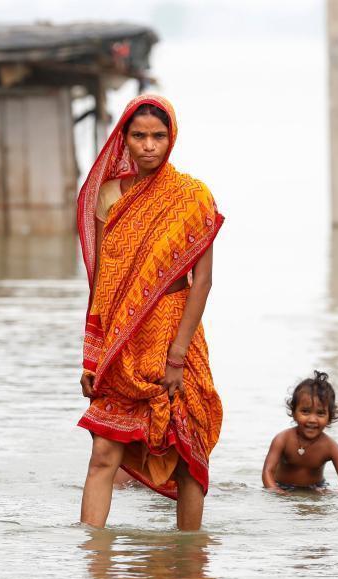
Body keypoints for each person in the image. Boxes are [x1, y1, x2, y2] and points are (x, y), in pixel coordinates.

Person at [76, 95, 224, 531]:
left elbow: (203, 281)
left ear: (171, 138)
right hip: (121, 341)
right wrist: (91, 356)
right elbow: (102, 283)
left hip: (176, 334)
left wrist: (177, 355)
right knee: (103, 452)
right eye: (138, 135)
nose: (148, 145)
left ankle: (187, 556)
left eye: (158, 136)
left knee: (185, 450)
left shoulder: (192, 197)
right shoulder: (108, 197)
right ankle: (91, 559)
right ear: (124, 139)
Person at [261, 371, 338, 493]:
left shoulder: (330, 447)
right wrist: (275, 491)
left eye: (320, 413)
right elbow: (267, 472)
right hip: (282, 486)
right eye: (305, 411)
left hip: (315, 489)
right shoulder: (283, 439)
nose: (312, 420)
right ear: (294, 413)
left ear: (329, 417)